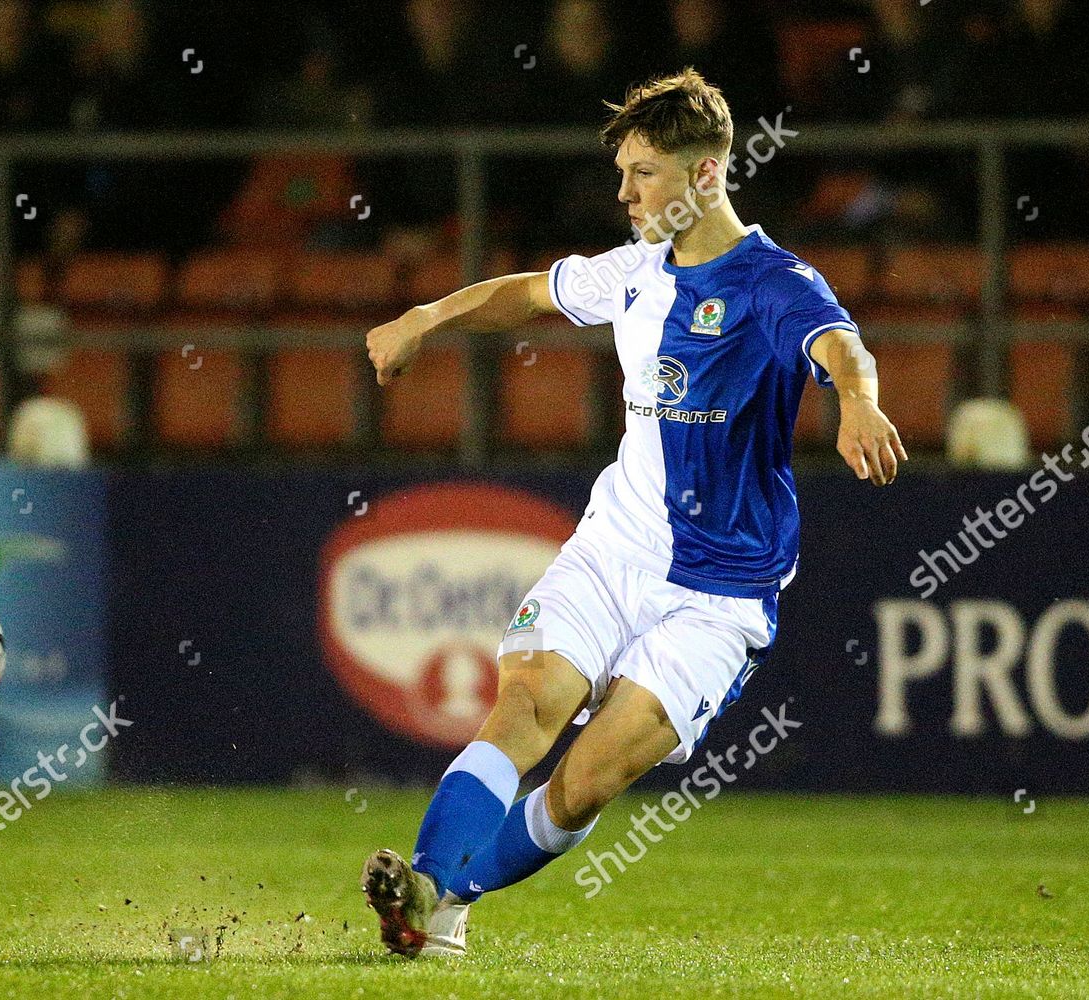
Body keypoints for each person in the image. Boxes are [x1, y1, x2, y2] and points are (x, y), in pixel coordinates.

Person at [359, 68, 907, 958]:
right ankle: (425, 886)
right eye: (623, 174)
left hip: (722, 589)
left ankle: (447, 892)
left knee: (584, 781)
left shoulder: (773, 281)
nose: (623, 194)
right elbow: (531, 290)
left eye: (642, 174)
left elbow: (840, 344)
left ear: (706, 174)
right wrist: (427, 315)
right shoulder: (634, 273)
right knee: (527, 701)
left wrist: (858, 401)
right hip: (618, 544)